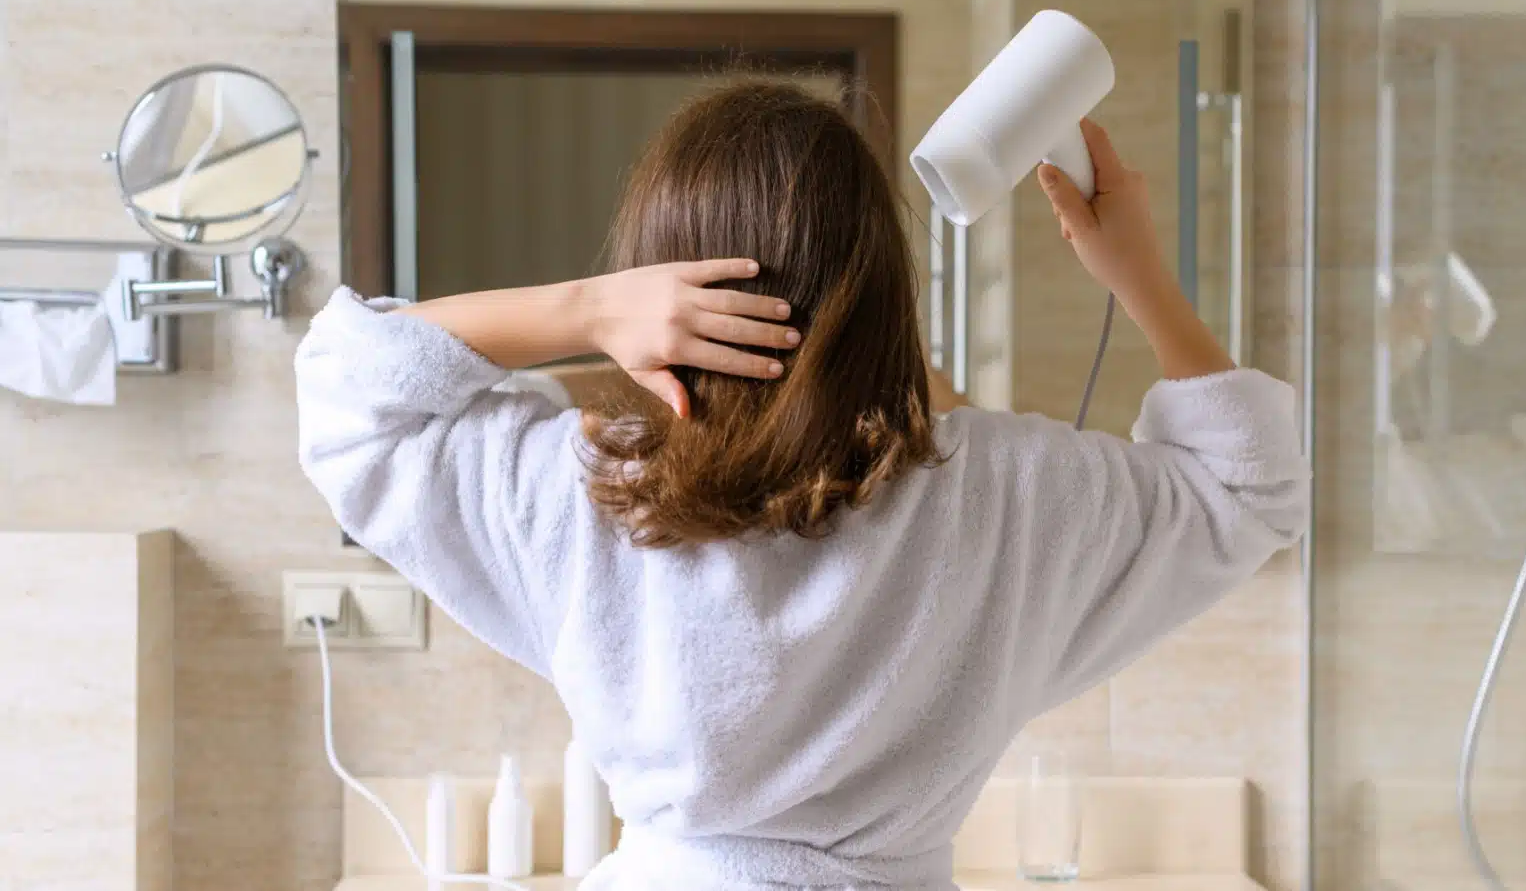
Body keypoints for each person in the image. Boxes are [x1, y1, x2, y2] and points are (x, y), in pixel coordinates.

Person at [296, 81, 1309, 890]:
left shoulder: (584, 491)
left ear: (655, 277)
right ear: (883, 283)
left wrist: (585, 309)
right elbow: (1249, 484)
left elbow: (349, 395)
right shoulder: (1004, 496)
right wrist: (1137, 270)